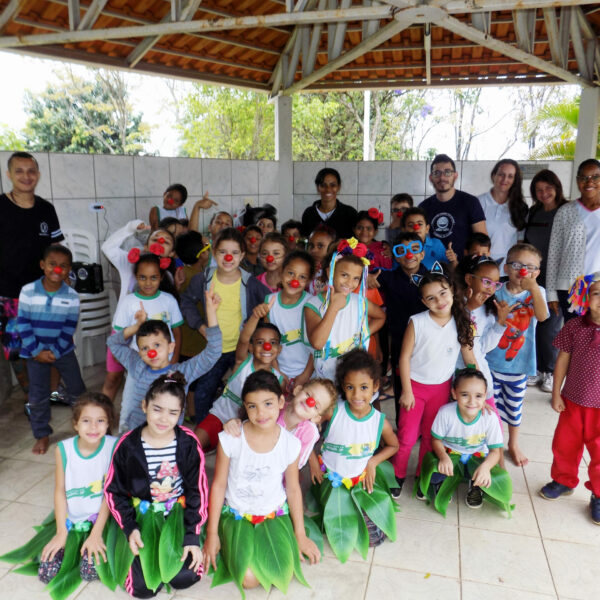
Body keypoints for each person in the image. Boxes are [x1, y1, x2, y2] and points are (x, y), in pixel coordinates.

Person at [202, 371, 320, 593]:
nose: (261, 413)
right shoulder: (231, 439)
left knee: (280, 571)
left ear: (281, 402)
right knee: (249, 580)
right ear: (245, 408)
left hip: (272, 514)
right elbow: (218, 485)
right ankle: (231, 544)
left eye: (268, 404)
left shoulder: (290, 444)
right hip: (237, 514)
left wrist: (300, 534)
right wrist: (212, 533)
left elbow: (293, 489)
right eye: (252, 406)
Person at [0, 393, 118, 596]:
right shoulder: (64, 449)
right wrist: (62, 532)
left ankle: (93, 543)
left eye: (100, 421)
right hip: (72, 518)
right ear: (75, 424)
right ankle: (72, 542)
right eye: (86, 421)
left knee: (90, 572)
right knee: (47, 573)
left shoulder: (113, 447)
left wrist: (96, 533)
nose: (93, 427)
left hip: (102, 519)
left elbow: (111, 493)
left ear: (108, 424)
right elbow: (60, 490)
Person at [105, 373, 208, 598]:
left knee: (185, 577)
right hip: (141, 518)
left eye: (173, 412)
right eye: (157, 409)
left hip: (177, 516)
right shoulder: (128, 445)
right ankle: (137, 558)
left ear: (181, 414)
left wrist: (192, 535)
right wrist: (130, 527)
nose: (163, 419)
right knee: (143, 589)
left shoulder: (188, 442)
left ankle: (180, 548)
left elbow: (197, 491)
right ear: (144, 406)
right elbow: (114, 491)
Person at [393, 264, 476, 497]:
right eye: (431, 298)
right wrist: (407, 391)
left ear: (452, 290)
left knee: (432, 437)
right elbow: (404, 357)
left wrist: (478, 389)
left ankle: (424, 475)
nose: (439, 301)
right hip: (415, 389)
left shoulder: (461, 321)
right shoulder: (417, 322)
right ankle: (397, 475)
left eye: (442, 293)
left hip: (441, 389)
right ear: (423, 301)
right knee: (407, 437)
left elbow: (469, 359)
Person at [310, 350, 399, 561]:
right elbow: (305, 433)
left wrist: (373, 461)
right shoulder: (333, 412)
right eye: (350, 387)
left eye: (364, 387)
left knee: (375, 538)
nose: (357, 395)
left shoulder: (379, 421)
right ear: (343, 386)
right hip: (332, 480)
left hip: (360, 480)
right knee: (340, 527)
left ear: (376, 386)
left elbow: (393, 445)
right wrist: (313, 461)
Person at [180, 228, 269, 423]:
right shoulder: (203, 279)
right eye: (222, 252)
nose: (228, 257)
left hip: (241, 348)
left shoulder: (250, 283)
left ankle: (244, 428)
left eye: (235, 253)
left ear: (242, 255)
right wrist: (200, 326)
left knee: (244, 391)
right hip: (214, 350)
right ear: (214, 253)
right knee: (203, 393)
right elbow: (186, 302)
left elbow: (269, 301)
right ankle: (204, 431)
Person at [106, 285, 222, 431]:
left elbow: (214, 351)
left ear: (171, 347)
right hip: (137, 433)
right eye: (145, 348)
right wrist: (136, 326)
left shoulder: (182, 372)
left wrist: (211, 312)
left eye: (157, 345)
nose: (151, 352)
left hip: (168, 437)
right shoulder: (137, 365)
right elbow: (113, 342)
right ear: (139, 352)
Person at [0, 151, 63, 394]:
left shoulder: (46, 209)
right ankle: (31, 394)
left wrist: (63, 280)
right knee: (16, 349)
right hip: (9, 293)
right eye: (19, 171)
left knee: (53, 343)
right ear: (9, 175)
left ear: (38, 174)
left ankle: (53, 392)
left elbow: (56, 249)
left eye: (31, 171)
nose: (26, 176)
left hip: (45, 292)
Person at [539, 273, 600, 525]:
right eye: (596, 293)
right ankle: (563, 480)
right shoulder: (574, 327)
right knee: (565, 444)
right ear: (586, 298)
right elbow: (562, 360)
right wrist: (556, 393)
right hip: (572, 400)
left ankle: (598, 494)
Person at [17, 244, 85, 455]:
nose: (57, 269)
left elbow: (69, 327)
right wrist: (36, 350)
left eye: (63, 266)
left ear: (69, 269)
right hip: (34, 353)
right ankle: (42, 434)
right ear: (42, 265)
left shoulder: (72, 296)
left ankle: (84, 426)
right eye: (52, 264)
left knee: (77, 390)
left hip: (63, 351)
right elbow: (23, 323)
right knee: (38, 395)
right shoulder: (28, 291)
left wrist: (55, 351)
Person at [486, 243, 549, 467]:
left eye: (530, 267)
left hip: (519, 365)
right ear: (506, 267)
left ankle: (513, 443)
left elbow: (542, 317)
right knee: (491, 407)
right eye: (517, 265)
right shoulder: (496, 290)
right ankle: (494, 444)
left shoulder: (538, 293)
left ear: (537, 273)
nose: (523, 271)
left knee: (514, 408)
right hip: (491, 362)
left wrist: (533, 289)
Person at [101, 220, 176, 401]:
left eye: (166, 242)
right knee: (113, 378)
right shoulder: (129, 265)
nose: (160, 243)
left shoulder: (169, 277)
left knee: (145, 381)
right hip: (123, 331)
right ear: (146, 246)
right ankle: (104, 414)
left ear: (171, 254)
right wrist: (130, 228)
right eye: (155, 239)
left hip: (152, 339)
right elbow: (107, 248)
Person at [112, 253, 184, 430]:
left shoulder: (168, 300)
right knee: (130, 403)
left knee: (166, 402)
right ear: (136, 277)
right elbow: (120, 335)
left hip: (165, 363)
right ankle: (125, 435)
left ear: (161, 277)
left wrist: (174, 360)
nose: (148, 282)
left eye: (153, 277)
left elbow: (177, 332)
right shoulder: (128, 302)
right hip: (138, 363)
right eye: (142, 277)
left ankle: (169, 437)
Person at [419, 369, 507, 513]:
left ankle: (475, 485)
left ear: (485, 396)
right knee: (433, 474)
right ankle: (442, 482)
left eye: (478, 396)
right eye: (465, 395)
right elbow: (435, 440)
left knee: (491, 475)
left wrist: (485, 467)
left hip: (477, 456)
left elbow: (495, 451)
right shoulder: (445, 412)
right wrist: (443, 457)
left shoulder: (490, 417)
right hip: (450, 453)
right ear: (454, 394)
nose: (472, 401)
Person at [304, 239, 385, 381]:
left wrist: (363, 334)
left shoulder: (358, 301)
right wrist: (333, 307)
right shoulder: (313, 304)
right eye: (344, 275)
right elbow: (317, 343)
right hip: (326, 379)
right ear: (330, 271)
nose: (349, 283)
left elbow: (381, 316)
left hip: (355, 377)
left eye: (356, 278)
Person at [195, 320, 284, 450]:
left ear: (279, 349)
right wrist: (256, 316)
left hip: (246, 428)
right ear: (251, 347)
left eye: (273, 343)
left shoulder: (279, 379)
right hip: (219, 416)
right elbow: (243, 339)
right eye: (260, 342)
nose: (267, 346)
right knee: (192, 445)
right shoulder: (243, 361)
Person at [223, 377, 337, 470]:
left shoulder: (310, 433)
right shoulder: (273, 407)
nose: (309, 402)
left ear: (316, 418)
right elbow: (250, 427)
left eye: (316, 406)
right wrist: (235, 424)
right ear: (297, 390)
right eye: (308, 395)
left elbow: (297, 464)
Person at [524, 169, 568, 393]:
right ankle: (535, 368)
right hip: (534, 275)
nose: (544, 193)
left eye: (548, 188)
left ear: (557, 187)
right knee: (533, 323)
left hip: (558, 276)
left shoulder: (567, 210)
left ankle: (549, 371)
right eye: (539, 190)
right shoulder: (534, 212)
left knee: (551, 325)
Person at [547, 159, 600, 322]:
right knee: (576, 334)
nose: (589, 182)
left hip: (598, 287)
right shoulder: (565, 211)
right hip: (570, 288)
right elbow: (554, 254)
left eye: (595, 177)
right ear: (577, 181)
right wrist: (551, 293)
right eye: (584, 177)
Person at [262, 250, 316, 390]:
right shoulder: (270, 302)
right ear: (281, 272)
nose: (294, 280)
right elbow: (269, 342)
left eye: (302, 277)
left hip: (309, 372)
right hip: (278, 370)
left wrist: (305, 375)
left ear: (309, 280)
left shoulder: (312, 304)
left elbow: (316, 346)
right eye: (290, 273)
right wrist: (277, 371)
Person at [419, 154, 487, 258]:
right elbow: (416, 239)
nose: (442, 177)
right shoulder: (423, 207)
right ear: (431, 178)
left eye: (447, 172)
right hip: (433, 265)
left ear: (455, 176)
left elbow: (482, 242)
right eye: (437, 173)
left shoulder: (471, 202)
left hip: (464, 265)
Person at [477, 159, 528, 265]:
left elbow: (520, 241)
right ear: (493, 176)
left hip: (508, 268)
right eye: (501, 174)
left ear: (514, 180)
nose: (505, 179)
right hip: (481, 266)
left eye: (510, 176)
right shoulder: (478, 202)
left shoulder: (520, 207)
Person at [301, 168, 358, 239]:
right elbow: (305, 241)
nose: (328, 189)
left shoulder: (350, 213)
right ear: (318, 188)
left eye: (333, 185)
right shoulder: (309, 213)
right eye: (323, 185)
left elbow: (355, 241)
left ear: (339, 187)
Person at [306, 224, 336, 296]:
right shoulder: (305, 268)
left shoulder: (336, 271)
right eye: (311, 245)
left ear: (332, 247)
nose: (314, 250)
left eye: (320, 246)